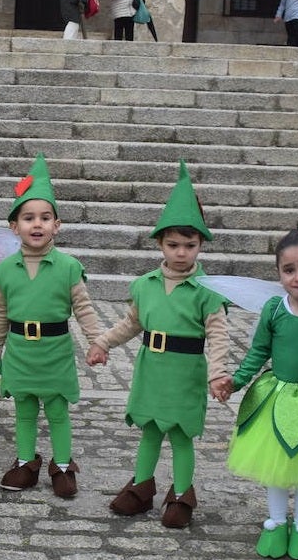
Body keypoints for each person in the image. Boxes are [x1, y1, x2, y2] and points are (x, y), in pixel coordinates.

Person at [86, 161, 228, 526]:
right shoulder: (145, 285)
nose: (182, 252)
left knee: (180, 434)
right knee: (149, 430)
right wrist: (102, 343)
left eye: (190, 245)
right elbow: (131, 323)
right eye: (173, 244)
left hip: (185, 373)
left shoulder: (207, 291)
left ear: (200, 245)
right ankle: (141, 486)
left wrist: (218, 374)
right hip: (151, 368)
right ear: (160, 243)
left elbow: (217, 334)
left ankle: (181, 495)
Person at [210, 220, 298, 560]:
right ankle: (274, 521)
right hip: (277, 397)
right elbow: (258, 352)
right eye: (289, 270)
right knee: (275, 467)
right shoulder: (274, 310)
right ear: (278, 273)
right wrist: (236, 380)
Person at [0, 154, 103, 498]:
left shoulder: (69, 267)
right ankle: (26, 461)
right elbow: (1, 310)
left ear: (57, 224)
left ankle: (64, 465)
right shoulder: (6, 268)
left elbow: (83, 308)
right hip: (21, 350)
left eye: (44, 217)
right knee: (24, 409)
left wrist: (97, 341)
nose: (36, 224)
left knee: (57, 410)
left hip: (55, 351)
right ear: (14, 226)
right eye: (28, 218)